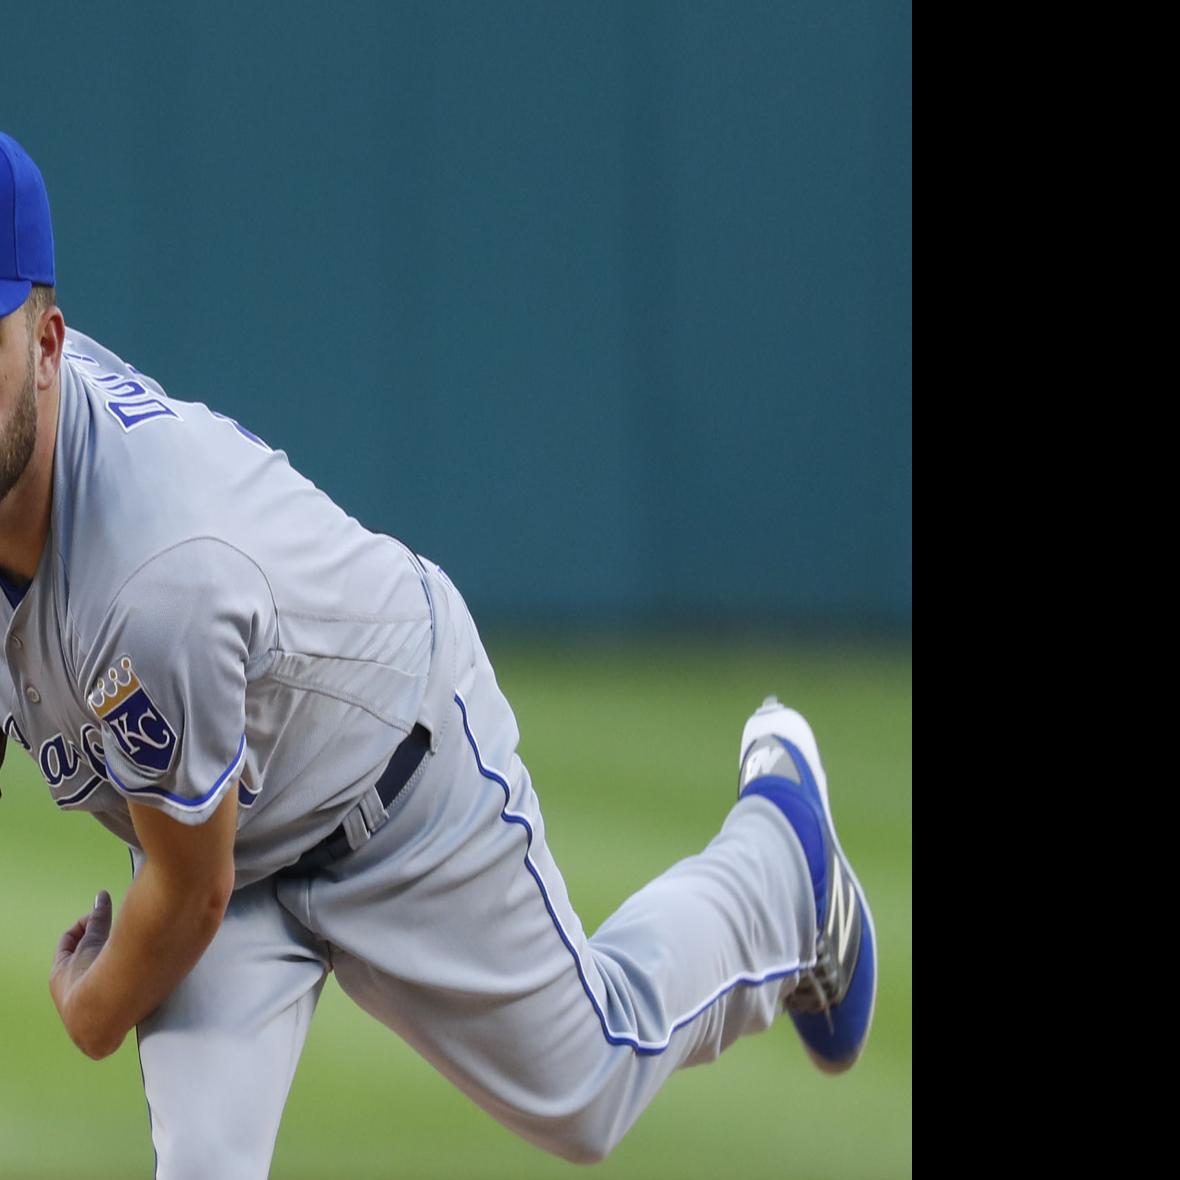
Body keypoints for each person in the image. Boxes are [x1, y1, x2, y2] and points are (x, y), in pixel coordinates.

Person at [0, 129, 876, 1179]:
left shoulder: (151, 578)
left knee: (588, 1092)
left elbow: (190, 893)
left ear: (50, 345)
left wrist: (91, 1008)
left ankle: (784, 865)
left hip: (394, 779)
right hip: (228, 803)